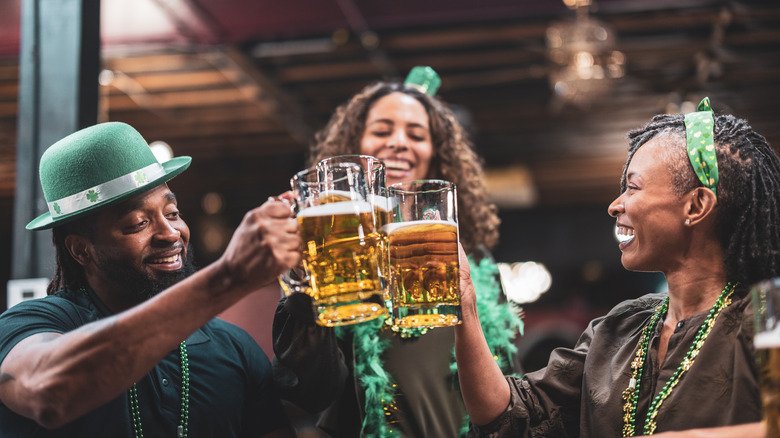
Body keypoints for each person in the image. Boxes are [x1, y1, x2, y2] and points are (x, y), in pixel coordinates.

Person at [454, 98, 780, 437]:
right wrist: (465, 301)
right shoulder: (617, 330)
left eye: (633, 187)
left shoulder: (766, 318)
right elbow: (507, 415)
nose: (615, 205)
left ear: (696, 205)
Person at [0, 122, 302, 437]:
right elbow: (49, 393)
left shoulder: (233, 346)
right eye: (138, 222)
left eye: (172, 213)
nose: (171, 233)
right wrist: (228, 276)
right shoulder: (30, 324)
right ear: (81, 250)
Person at [272, 67, 523, 437]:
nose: (400, 142)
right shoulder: (335, 256)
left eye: (416, 134)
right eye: (382, 130)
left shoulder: (474, 260)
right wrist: (300, 282)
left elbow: (509, 381)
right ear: (355, 150)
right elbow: (311, 390)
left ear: (437, 155)